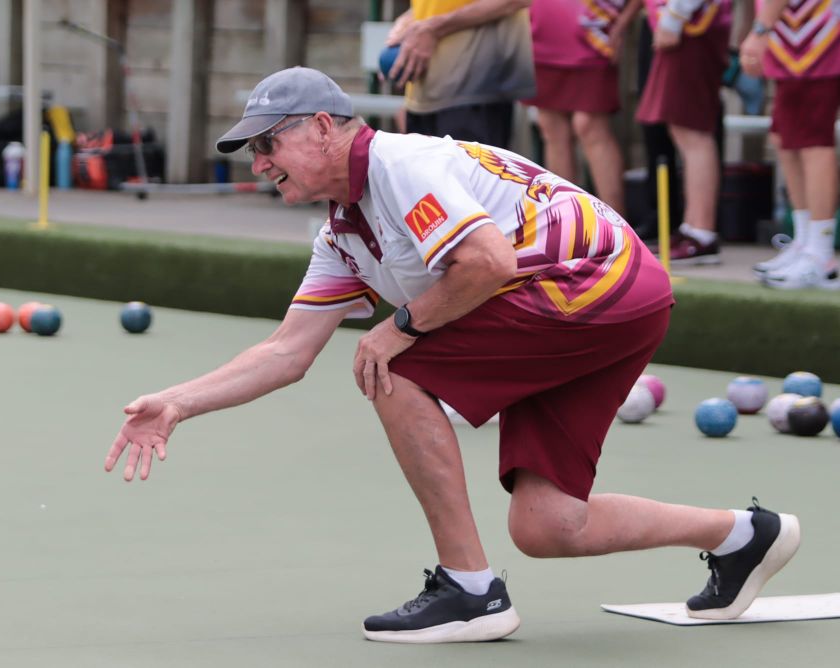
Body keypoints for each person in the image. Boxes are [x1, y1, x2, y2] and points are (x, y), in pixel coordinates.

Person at [105, 67, 801, 643]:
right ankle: (745, 535)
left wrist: (399, 326)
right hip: (605, 301)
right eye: (252, 154)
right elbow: (287, 352)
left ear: (322, 128)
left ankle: (470, 590)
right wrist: (178, 402)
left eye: (267, 146)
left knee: (392, 366)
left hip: (597, 280)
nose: (259, 166)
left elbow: (488, 261)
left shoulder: (400, 165)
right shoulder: (344, 236)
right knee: (548, 525)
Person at [743, 0, 840, 290]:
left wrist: (760, 30)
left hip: (815, 33)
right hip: (794, 33)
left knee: (812, 140)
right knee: (786, 138)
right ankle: (805, 241)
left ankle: (820, 254)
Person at [636, 0, 733, 264]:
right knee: (683, 130)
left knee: (692, 132)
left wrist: (674, 17)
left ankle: (701, 232)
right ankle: (692, 227)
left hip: (691, 23)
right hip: (684, 21)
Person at [525, 0, 642, 217]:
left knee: (589, 125)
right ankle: (567, 221)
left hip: (592, 32)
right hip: (539, 31)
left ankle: (617, 224)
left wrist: (622, 23)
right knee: (550, 127)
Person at [383, 0, 535, 149]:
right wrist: (410, 20)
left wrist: (433, 27)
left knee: (469, 173)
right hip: (425, 94)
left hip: (474, 91)